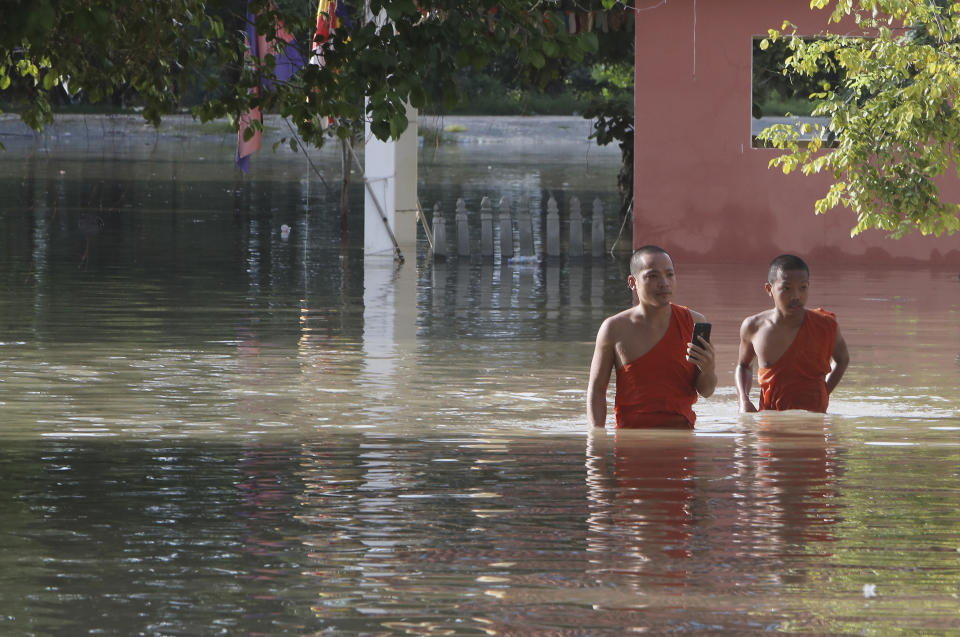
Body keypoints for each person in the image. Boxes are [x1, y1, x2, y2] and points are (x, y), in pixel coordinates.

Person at [587, 245, 717, 428]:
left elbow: (707, 391)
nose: (664, 283)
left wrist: (709, 369)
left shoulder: (693, 322)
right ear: (633, 282)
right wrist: (595, 442)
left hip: (681, 438)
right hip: (630, 439)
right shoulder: (614, 328)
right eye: (653, 276)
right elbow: (597, 390)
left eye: (669, 275)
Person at [735, 254, 849, 413]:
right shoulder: (753, 326)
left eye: (803, 288)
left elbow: (842, 360)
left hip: (814, 424)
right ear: (769, 289)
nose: (796, 296)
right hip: (770, 420)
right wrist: (743, 400)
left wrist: (824, 393)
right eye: (787, 288)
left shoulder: (826, 325)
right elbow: (743, 366)